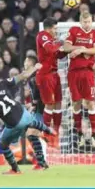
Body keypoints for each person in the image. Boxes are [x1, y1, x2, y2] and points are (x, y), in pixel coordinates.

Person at [0, 65, 54, 174]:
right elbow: (23, 75)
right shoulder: (2, 84)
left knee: (3, 144)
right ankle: (47, 130)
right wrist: (35, 67)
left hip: (14, 124)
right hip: (24, 114)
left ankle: (15, 169)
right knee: (28, 122)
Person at [63, 11, 95, 146]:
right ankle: (79, 133)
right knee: (76, 103)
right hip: (73, 73)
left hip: (87, 73)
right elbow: (66, 47)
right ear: (80, 22)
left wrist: (81, 50)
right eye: (85, 22)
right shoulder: (74, 30)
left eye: (89, 21)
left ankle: (94, 134)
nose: (87, 24)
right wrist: (80, 47)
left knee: (91, 103)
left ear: (92, 21)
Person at [36, 17, 66, 148]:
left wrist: (67, 49)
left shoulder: (53, 40)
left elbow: (58, 54)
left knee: (59, 104)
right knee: (50, 105)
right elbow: (50, 49)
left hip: (55, 74)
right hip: (45, 75)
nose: (56, 31)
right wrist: (61, 44)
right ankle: (46, 132)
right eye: (55, 28)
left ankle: (56, 132)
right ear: (48, 28)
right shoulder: (42, 35)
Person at [24, 56, 49, 170]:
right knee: (31, 134)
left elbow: (38, 92)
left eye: (26, 61)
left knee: (32, 134)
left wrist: (33, 105)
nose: (25, 63)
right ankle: (41, 162)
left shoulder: (34, 77)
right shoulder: (32, 76)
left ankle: (41, 162)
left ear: (31, 63)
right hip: (39, 108)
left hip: (41, 109)